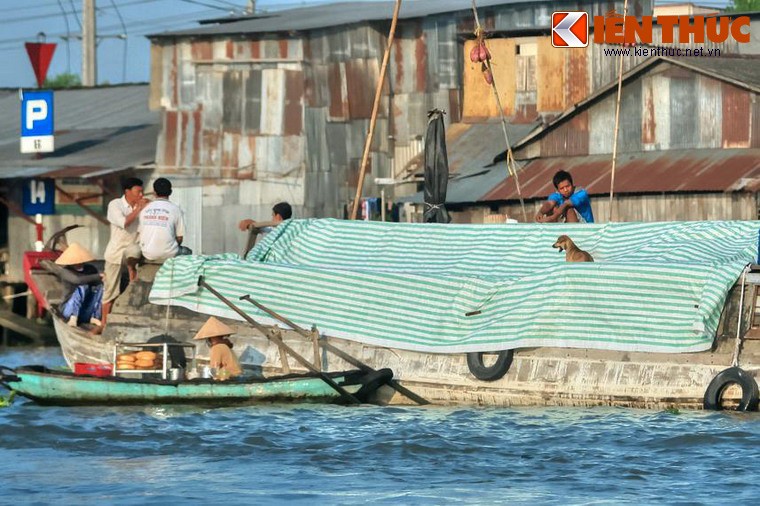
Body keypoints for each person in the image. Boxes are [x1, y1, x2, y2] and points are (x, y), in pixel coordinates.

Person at [95, 177, 149, 335]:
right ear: (127, 191)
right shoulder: (115, 205)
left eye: (141, 191)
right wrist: (138, 209)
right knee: (110, 290)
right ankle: (104, 323)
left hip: (134, 251)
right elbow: (124, 222)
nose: (141, 195)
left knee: (135, 287)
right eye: (138, 191)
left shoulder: (143, 205)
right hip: (116, 253)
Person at [46, 243, 103, 327]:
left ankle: (95, 316)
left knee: (101, 288)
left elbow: (96, 284)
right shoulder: (65, 271)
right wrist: (98, 276)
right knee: (82, 287)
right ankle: (73, 317)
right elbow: (77, 280)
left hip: (84, 310)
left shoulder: (90, 269)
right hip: (68, 309)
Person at [139, 177, 189, 261]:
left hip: (147, 253)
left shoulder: (145, 209)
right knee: (187, 251)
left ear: (154, 193)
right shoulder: (176, 209)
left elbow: (141, 233)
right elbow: (180, 238)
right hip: (170, 253)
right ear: (170, 192)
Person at [193, 316, 242, 381]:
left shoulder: (217, 347)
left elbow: (214, 366)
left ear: (212, 338)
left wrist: (214, 379)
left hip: (228, 377)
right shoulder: (225, 345)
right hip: (235, 376)